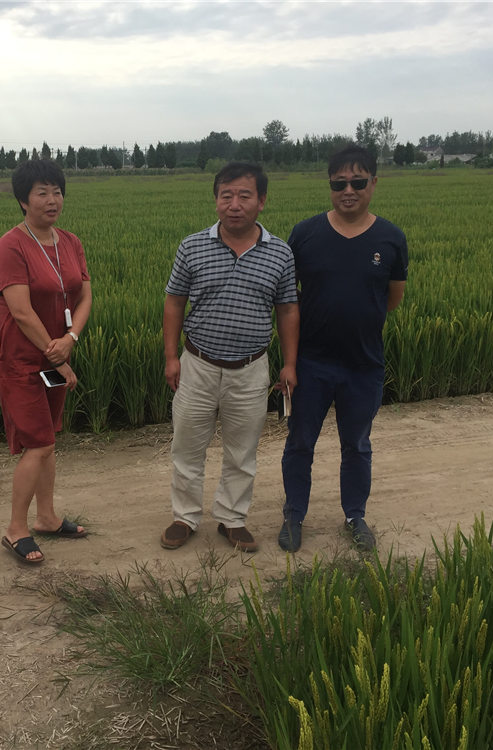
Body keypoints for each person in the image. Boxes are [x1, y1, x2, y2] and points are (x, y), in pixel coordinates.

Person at [161, 162, 299, 553]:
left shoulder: (280, 253)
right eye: (226, 195)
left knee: (242, 451)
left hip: (251, 369)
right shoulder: (192, 246)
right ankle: (185, 517)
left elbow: (288, 309)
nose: (234, 204)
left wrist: (290, 363)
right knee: (187, 447)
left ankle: (232, 519)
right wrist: (171, 356)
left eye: (244, 196)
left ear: (261, 201)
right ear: (216, 200)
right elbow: (174, 302)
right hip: (197, 365)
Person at [279, 144, 408, 553]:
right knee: (300, 442)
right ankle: (294, 514)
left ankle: (355, 515)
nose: (348, 190)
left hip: (363, 364)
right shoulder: (305, 234)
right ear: (330, 186)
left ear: (374, 182)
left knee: (357, 444)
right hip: (311, 362)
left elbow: (392, 298)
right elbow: (288, 301)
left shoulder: (391, 238)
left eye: (357, 182)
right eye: (339, 184)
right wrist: (290, 362)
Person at [0, 159, 92, 564]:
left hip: (56, 352)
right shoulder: (11, 245)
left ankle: (47, 518)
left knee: (49, 436)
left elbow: (85, 296)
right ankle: (16, 528)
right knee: (39, 443)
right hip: (21, 360)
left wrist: (70, 339)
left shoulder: (70, 242)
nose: (52, 200)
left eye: (57, 192)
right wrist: (58, 355)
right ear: (23, 200)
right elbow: (20, 311)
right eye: (42, 193)